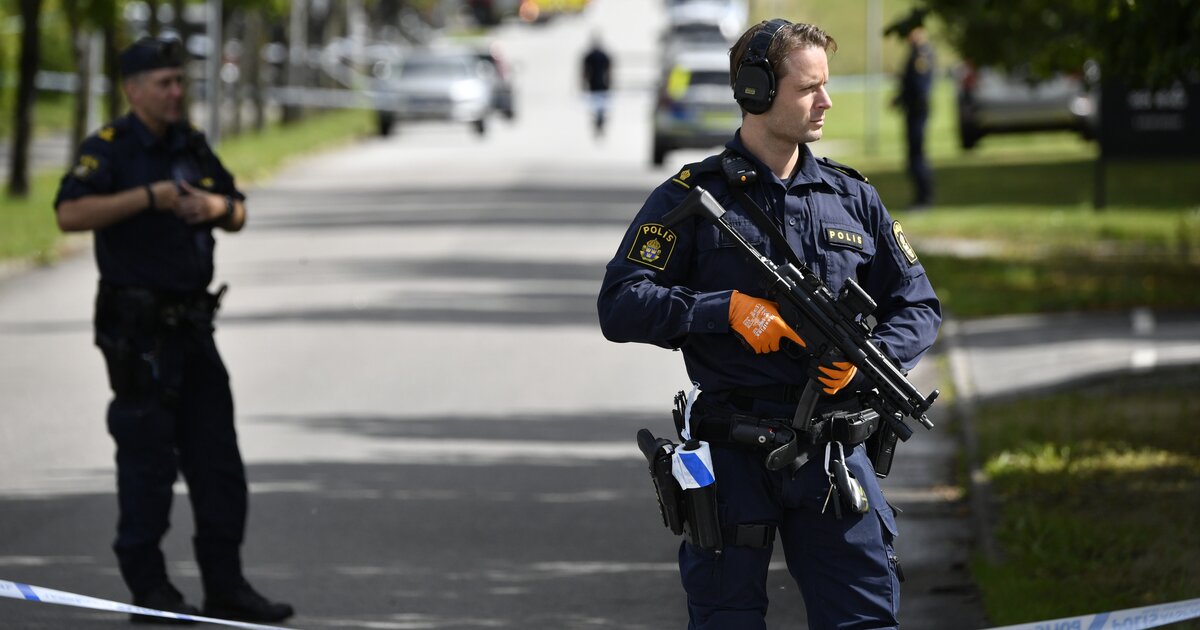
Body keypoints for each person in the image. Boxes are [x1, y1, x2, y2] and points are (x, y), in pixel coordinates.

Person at [597, 19, 941, 630]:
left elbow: (918, 305)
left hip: (834, 455)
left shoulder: (853, 197)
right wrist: (723, 310)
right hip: (733, 454)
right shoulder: (692, 197)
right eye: (809, 88)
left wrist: (868, 356)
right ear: (756, 91)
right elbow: (621, 303)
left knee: (864, 620)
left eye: (826, 85)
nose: (826, 102)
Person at [53, 37, 293, 625]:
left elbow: (237, 207)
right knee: (148, 466)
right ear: (133, 90)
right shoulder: (109, 149)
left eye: (180, 81)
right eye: (163, 83)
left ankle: (226, 586)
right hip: (138, 337)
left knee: (218, 466)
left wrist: (216, 210)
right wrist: (147, 198)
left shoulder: (191, 144)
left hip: (192, 329)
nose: (176, 92)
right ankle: (152, 594)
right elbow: (68, 213)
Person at [888, 9, 936, 210]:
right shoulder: (916, 52)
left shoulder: (922, 53)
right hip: (913, 110)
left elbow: (919, 86)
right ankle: (920, 197)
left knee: (917, 155)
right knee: (912, 155)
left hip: (917, 111)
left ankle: (924, 198)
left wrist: (904, 97)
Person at [581, 34, 613, 137]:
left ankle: (599, 122)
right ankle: (599, 121)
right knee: (599, 106)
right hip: (600, 84)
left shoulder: (590, 55)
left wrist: (583, 82)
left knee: (597, 106)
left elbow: (585, 71)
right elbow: (609, 70)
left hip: (595, 84)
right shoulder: (601, 55)